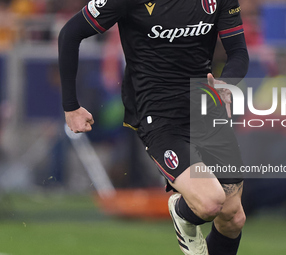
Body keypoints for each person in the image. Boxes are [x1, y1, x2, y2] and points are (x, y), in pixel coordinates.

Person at [58, 0, 249, 254]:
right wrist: (71, 106)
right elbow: (70, 33)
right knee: (209, 203)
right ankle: (180, 212)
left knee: (233, 217)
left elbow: (238, 51)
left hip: (205, 108)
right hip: (158, 115)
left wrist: (227, 83)